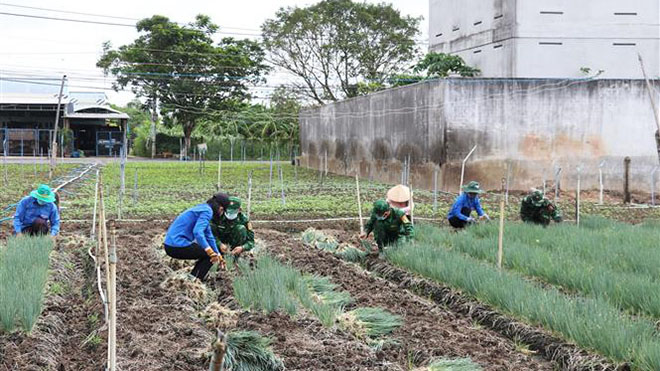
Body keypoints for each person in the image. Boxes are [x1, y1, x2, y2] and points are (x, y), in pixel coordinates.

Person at [163, 193, 227, 281]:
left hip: (170, 244)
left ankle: (193, 278)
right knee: (209, 256)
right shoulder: (207, 211)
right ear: (220, 208)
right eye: (222, 211)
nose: (221, 213)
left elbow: (209, 236)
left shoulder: (204, 208)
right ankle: (194, 281)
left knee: (210, 255)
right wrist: (209, 251)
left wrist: (218, 254)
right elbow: (198, 232)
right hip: (177, 245)